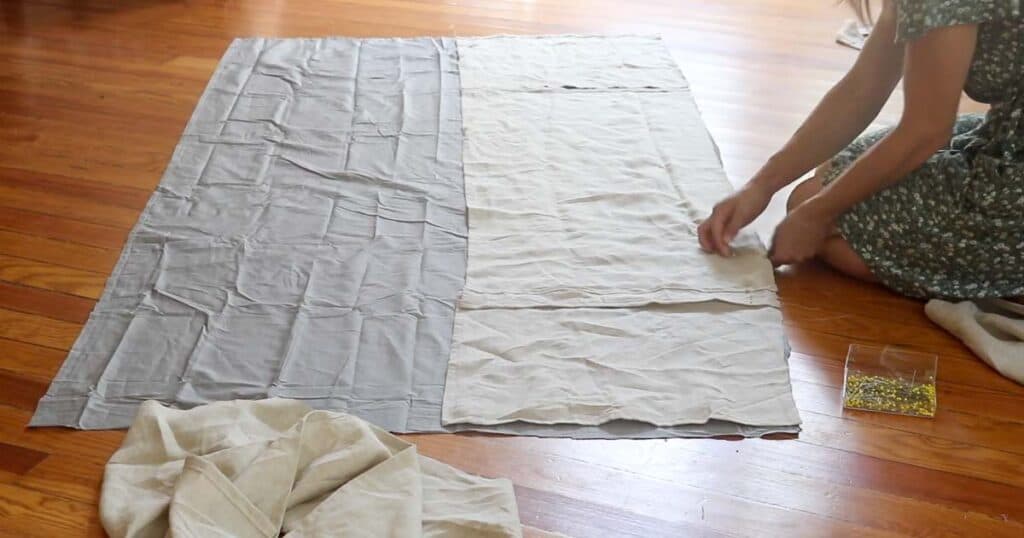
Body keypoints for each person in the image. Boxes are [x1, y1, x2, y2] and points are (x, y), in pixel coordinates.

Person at [697, 0, 1023, 300]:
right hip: (1005, 132)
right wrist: (761, 185)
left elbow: (927, 131)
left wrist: (816, 215)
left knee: (820, 218)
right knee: (827, 179)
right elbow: (866, 85)